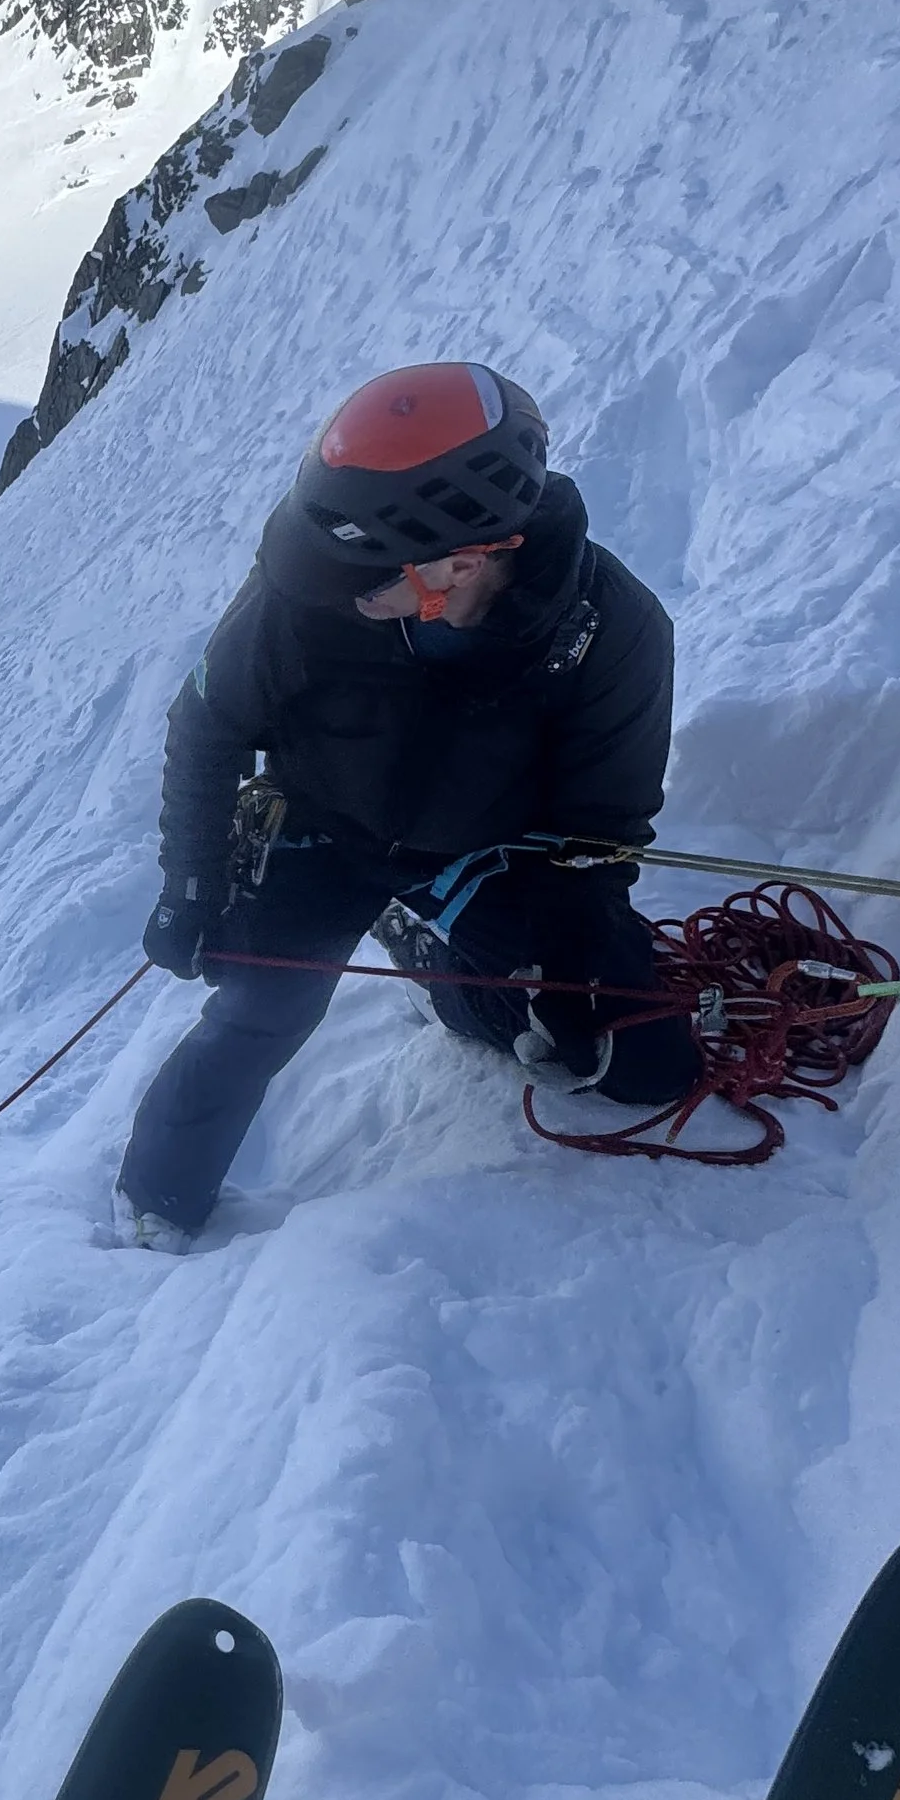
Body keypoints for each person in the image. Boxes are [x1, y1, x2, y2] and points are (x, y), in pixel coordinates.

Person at [116, 362, 703, 1246]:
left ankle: (438, 970)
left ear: (461, 563)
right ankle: (154, 1198)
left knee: (643, 1063)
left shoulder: (613, 634)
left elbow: (600, 836)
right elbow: (207, 725)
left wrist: (571, 975)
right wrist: (190, 883)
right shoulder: (316, 579)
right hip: (324, 825)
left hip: (491, 852)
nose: (340, 592)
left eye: (367, 580)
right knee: (261, 1008)